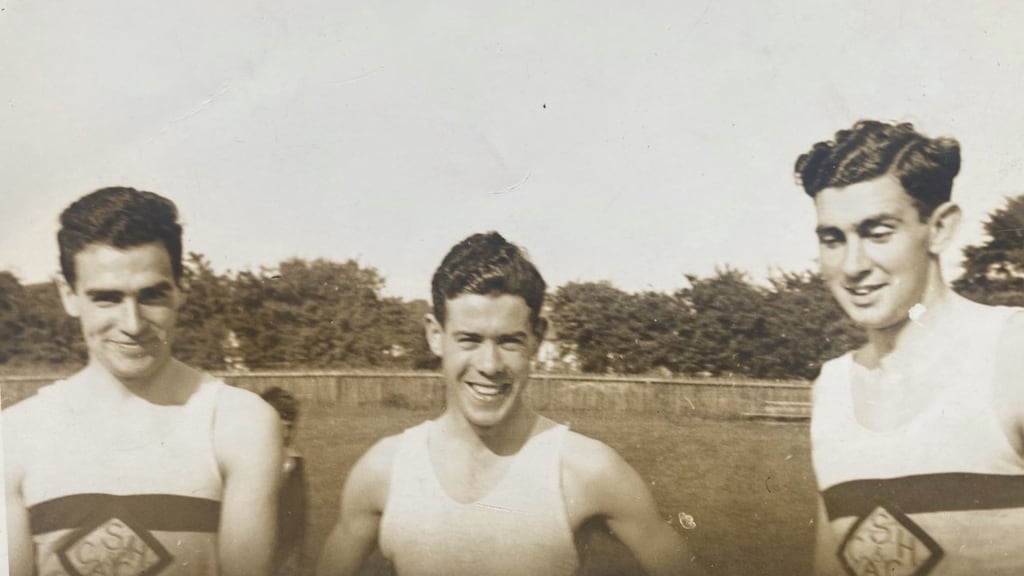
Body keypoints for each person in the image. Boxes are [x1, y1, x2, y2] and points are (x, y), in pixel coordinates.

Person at [316, 232, 704, 576]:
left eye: (509, 341)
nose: (489, 365)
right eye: (469, 339)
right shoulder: (384, 470)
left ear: (537, 338)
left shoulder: (587, 469)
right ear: (436, 336)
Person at [3, 187, 282, 576]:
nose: (132, 324)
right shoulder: (14, 436)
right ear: (68, 294)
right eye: (106, 298)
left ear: (180, 289)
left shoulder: (238, 422)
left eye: (151, 296)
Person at [794, 121, 1024, 575]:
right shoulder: (833, 388)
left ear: (939, 228)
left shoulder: (1011, 355)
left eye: (878, 232)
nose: (853, 265)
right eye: (833, 239)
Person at [261, 386, 308, 576]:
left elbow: (297, 521)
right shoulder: (246, 462)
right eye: (281, 427)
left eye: (291, 427)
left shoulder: (295, 463)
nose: (287, 434)